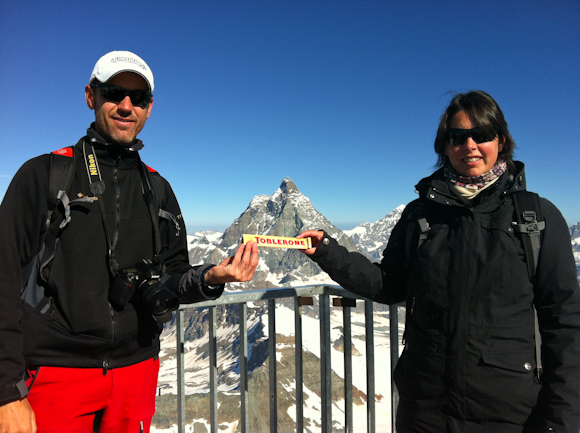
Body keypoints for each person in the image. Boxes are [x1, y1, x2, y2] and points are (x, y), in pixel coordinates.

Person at [0, 51, 259, 433]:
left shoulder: (158, 189)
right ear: (91, 96)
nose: (126, 106)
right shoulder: (44, 175)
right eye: (114, 92)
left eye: (138, 98)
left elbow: (172, 274)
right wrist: (7, 390)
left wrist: (210, 278)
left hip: (136, 371)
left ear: (149, 108)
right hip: (56, 371)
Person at [298, 91, 580, 433]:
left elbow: (564, 322)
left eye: (483, 134)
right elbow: (389, 284)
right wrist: (326, 251)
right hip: (424, 411)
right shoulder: (420, 215)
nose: (470, 145)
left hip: (509, 415)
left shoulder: (536, 218)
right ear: (444, 147)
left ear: (501, 141)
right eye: (457, 137)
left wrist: (559, 422)